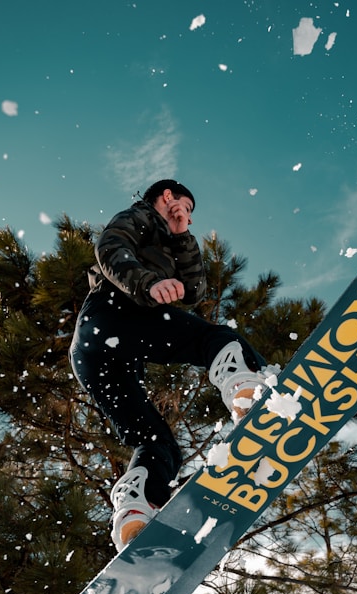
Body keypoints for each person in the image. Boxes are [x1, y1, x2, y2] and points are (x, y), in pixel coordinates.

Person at [69, 179, 270, 551]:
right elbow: (110, 246)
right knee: (218, 340)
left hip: (99, 354)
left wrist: (181, 237)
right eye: (186, 208)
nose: (188, 218)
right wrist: (147, 284)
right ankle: (252, 392)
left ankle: (135, 510)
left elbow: (194, 292)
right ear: (167, 197)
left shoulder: (174, 238)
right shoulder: (142, 216)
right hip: (114, 313)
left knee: (157, 445)